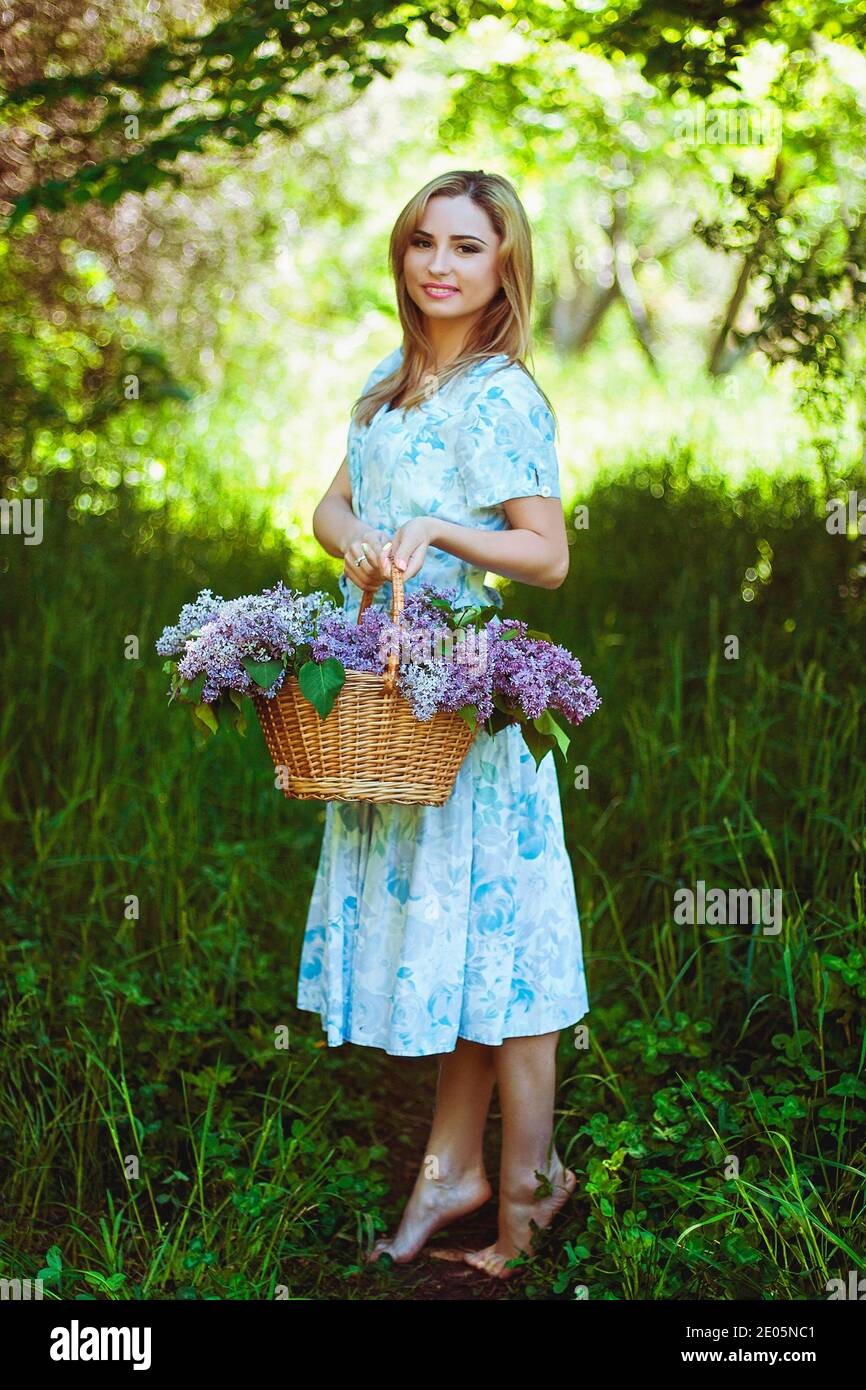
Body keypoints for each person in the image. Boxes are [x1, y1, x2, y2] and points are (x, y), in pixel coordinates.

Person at [298, 169, 590, 1279]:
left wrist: (436, 529)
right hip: (386, 698)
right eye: (423, 240)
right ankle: (453, 1174)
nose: (438, 264)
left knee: (504, 956)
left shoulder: (499, 393)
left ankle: (520, 1194)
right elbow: (329, 502)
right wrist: (359, 541)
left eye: (466, 247)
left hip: (464, 699)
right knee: (465, 951)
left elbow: (546, 553)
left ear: (503, 264)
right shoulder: (392, 378)